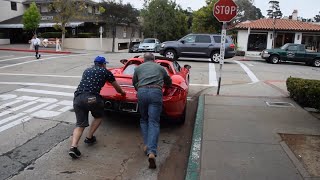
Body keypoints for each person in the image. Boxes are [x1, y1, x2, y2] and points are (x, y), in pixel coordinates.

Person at [69, 56, 126, 159]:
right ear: (103, 64)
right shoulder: (106, 72)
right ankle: (89, 137)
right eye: (105, 64)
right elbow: (117, 88)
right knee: (98, 116)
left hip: (78, 98)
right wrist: (122, 93)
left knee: (80, 125)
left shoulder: (87, 70)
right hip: (91, 99)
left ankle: (73, 147)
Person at [132, 52, 172, 169]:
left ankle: (147, 146)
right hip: (156, 92)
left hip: (142, 92)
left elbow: (134, 83)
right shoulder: (160, 68)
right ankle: (152, 152)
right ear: (154, 59)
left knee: (144, 120)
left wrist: (139, 90)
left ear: (144, 60)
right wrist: (167, 86)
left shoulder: (138, 68)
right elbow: (168, 81)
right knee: (153, 122)